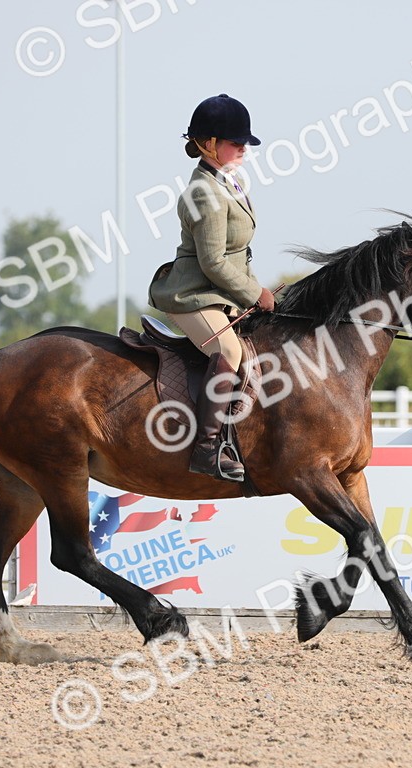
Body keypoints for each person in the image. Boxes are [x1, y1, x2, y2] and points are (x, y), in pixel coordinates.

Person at [148, 94, 275, 483]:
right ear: (208, 144)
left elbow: (237, 255)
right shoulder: (204, 191)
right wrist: (256, 293)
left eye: (244, 143)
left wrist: (253, 292)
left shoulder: (227, 180)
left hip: (219, 294)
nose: (243, 149)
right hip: (192, 295)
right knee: (228, 349)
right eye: (236, 142)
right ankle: (205, 449)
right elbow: (214, 261)